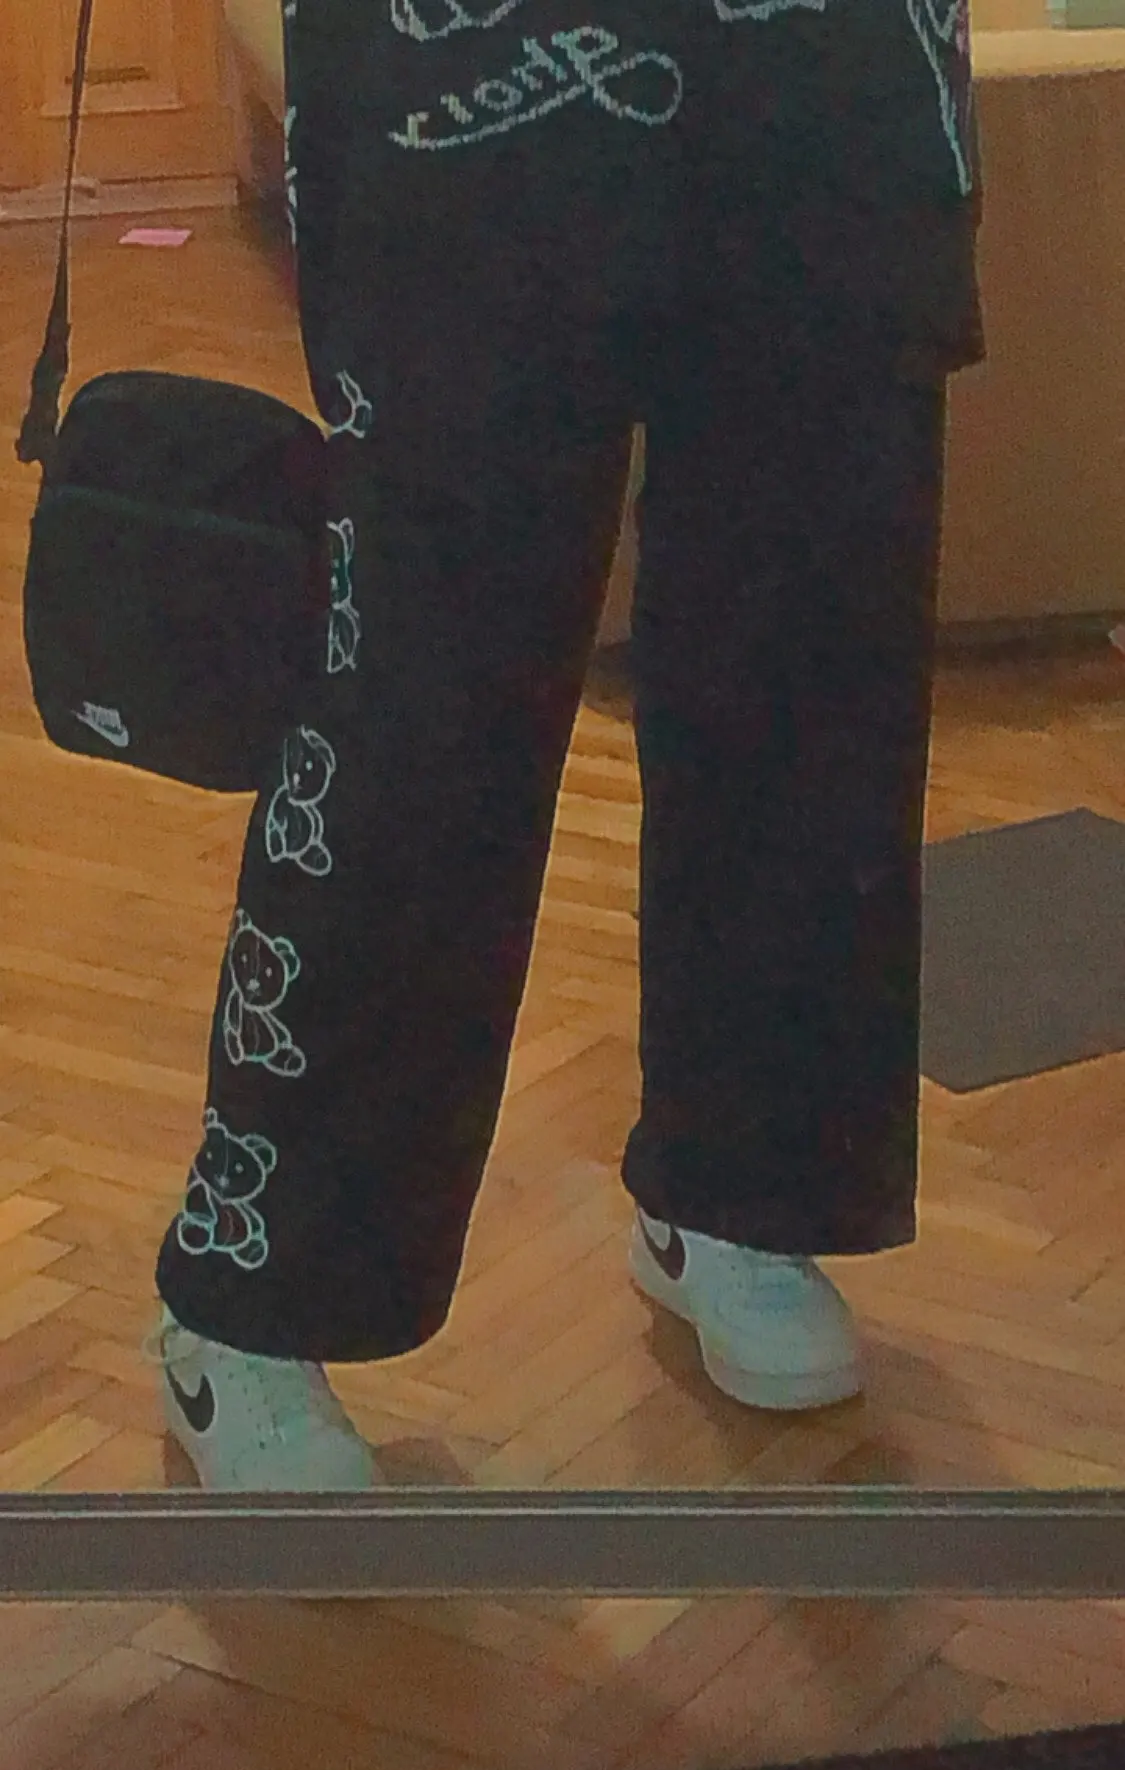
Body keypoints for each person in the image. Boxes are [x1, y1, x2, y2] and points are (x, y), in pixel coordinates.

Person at [145, 0, 985, 1489]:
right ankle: (256, 1287)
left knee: (815, 649)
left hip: (828, 62)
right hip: (472, 62)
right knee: (422, 673)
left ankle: (742, 1190)